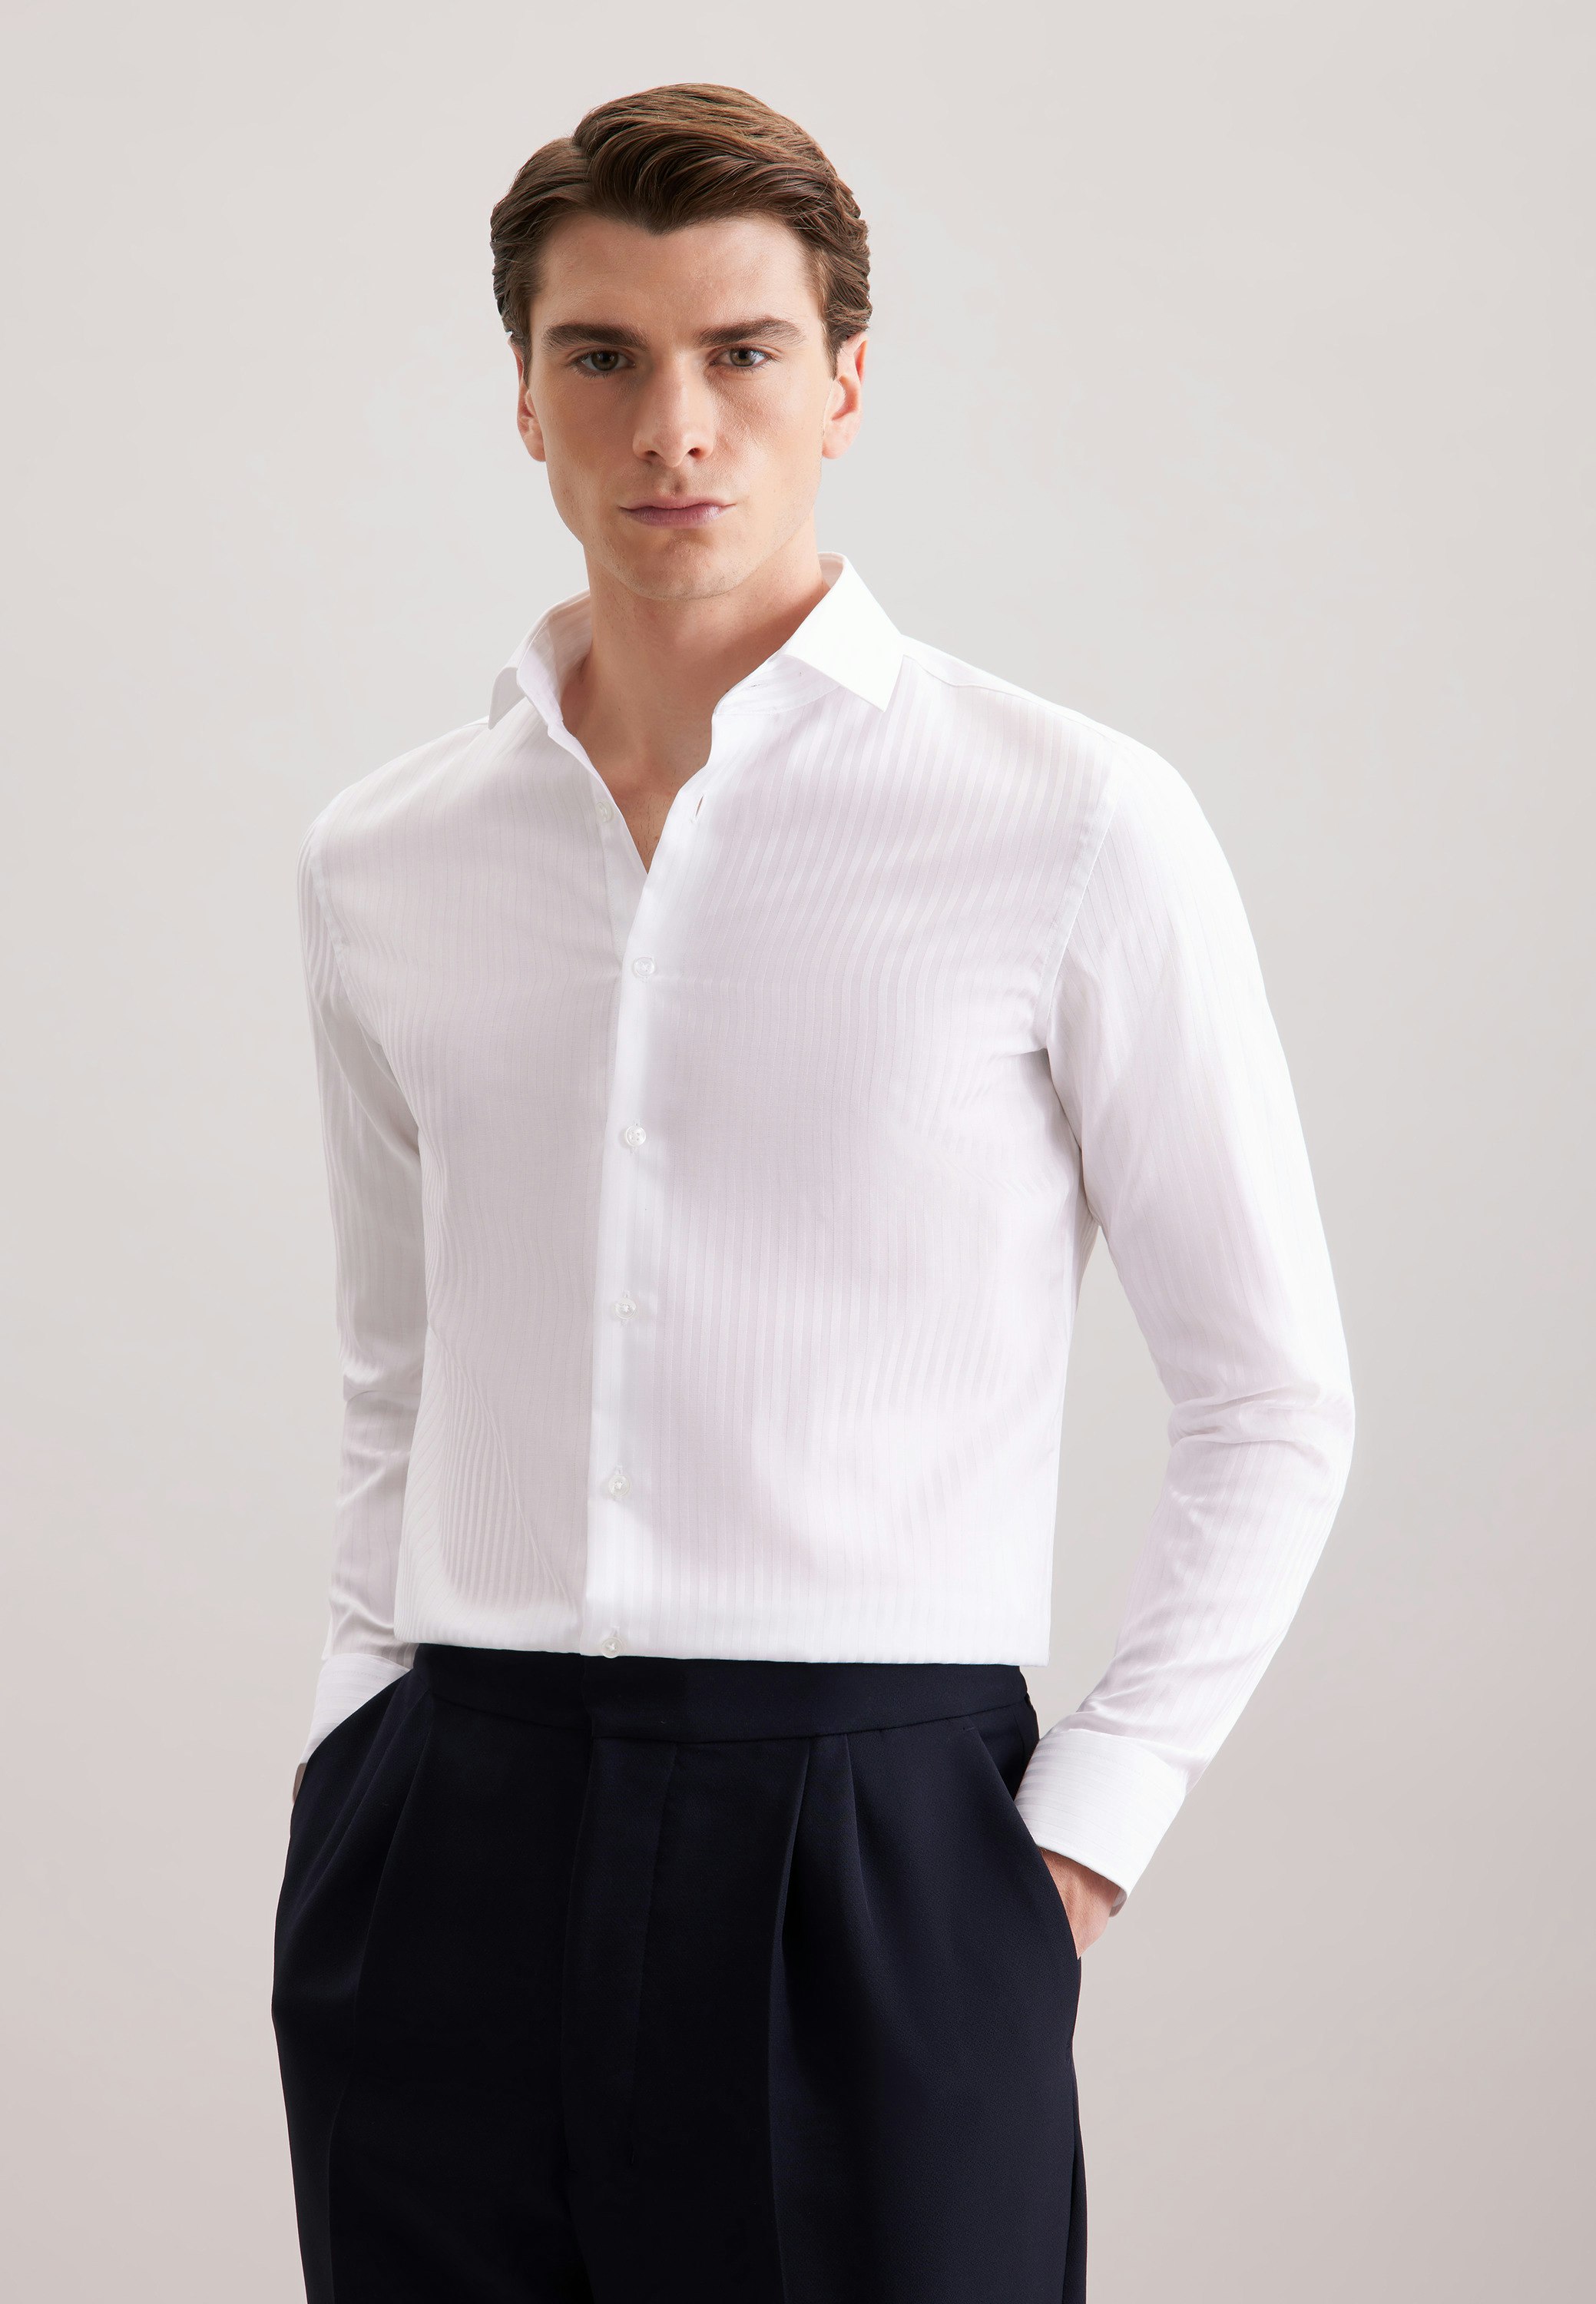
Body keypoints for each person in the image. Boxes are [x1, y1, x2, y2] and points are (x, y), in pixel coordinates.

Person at [270, 81, 1355, 2304]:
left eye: (742, 352)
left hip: (880, 1837)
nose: (673, 425)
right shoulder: (385, 859)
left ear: (847, 382)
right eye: (603, 355)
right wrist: (358, 1756)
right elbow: (400, 1365)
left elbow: (1272, 1397)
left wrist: (1076, 1843)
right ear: (524, 398)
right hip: (456, 1825)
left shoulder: (1069, 822)